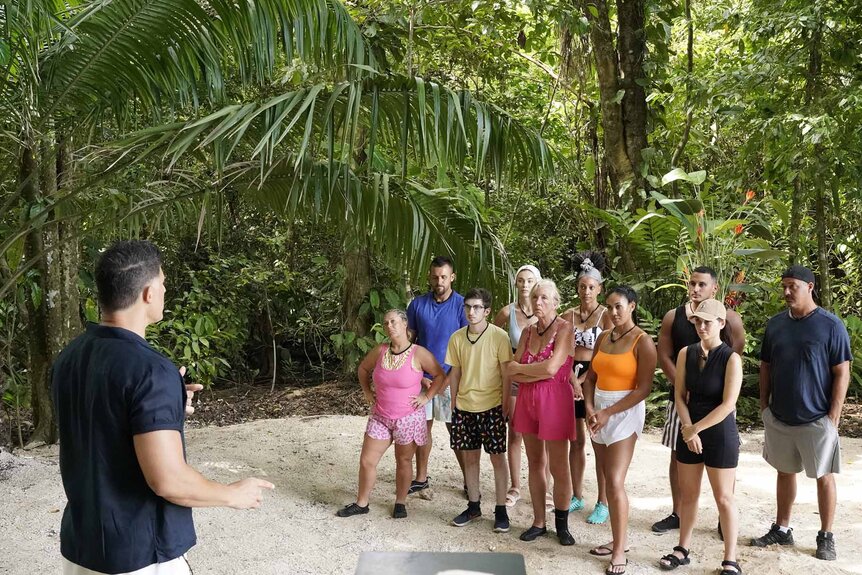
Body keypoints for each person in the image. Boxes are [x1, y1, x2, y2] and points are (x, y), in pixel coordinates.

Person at [52, 240, 274, 575]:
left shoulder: (70, 357)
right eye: (163, 282)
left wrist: (167, 405)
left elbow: (104, 417)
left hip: (82, 549)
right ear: (147, 293)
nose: (165, 289)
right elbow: (168, 480)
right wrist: (232, 494)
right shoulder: (150, 370)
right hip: (140, 556)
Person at [750, 265, 851, 561]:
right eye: (784, 286)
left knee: (824, 476)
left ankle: (826, 536)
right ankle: (782, 529)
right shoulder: (776, 325)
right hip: (780, 416)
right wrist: (764, 406)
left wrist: (833, 417)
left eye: (792, 286)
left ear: (810, 286)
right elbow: (765, 365)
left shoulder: (831, 325)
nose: (786, 292)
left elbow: (841, 372)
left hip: (817, 418)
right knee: (784, 472)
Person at [653, 266, 745, 534]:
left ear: (714, 288)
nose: (695, 289)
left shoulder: (730, 319)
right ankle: (678, 512)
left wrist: (713, 381)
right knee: (678, 453)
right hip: (682, 400)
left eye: (702, 284)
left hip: (719, 402)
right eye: (692, 283)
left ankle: (723, 518)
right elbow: (665, 354)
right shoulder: (674, 317)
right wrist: (684, 384)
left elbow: (734, 352)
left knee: (724, 458)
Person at [337, 309, 446, 519]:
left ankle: (400, 502)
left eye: (393, 321)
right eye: (386, 323)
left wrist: (426, 397)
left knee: (403, 461)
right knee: (367, 460)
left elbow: (440, 375)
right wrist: (367, 391)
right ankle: (362, 502)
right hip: (380, 416)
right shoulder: (380, 351)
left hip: (408, 417)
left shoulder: (418, 353)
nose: (389, 326)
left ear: (404, 324)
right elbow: (363, 369)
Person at [583, 285, 656, 575]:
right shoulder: (603, 337)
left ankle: (618, 550)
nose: (613, 312)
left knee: (614, 480)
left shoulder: (642, 341)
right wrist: (590, 409)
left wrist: (607, 412)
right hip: (598, 408)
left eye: (619, 307)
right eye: (610, 306)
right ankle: (618, 539)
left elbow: (644, 389)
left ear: (632, 306)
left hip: (623, 411)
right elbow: (590, 378)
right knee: (603, 475)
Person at [506, 279, 577, 546]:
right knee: (535, 462)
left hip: (555, 400)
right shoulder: (527, 332)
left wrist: (526, 371)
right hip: (528, 399)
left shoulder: (564, 328)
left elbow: (552, 369)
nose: (538, 302)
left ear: (556, 302)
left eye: (544, 298)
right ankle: (538, 521)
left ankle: (562, 524)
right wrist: (531, 371)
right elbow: (512, 368)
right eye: (535, 297)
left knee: (559, 465)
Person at [447, 288, 514, 532]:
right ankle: (473, 506)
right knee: (470, 457)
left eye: (477, 307)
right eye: (468, 307)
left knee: (498, 459)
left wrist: (506, 404)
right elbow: (455, 372)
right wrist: (453, 403)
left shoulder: (499, 337)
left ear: (487, 311)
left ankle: (500, 510)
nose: (471, 312)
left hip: (492, 406)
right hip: (465, 407)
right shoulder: (456, 338)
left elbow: (507, 373)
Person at [406, 256, 468, 495]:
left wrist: (451, 379)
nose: (439, 281)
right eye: (435, 277)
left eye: (443, 276)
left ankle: (468, 480)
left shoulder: (462, 305)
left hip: (452, 378)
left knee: (457, 430)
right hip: (423, 378)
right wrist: (417, 373)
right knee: (422, 428)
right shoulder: (417, 305)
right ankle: (421, 477)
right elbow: (410, 341)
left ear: (452, 277)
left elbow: (466, 345)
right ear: (429, 278)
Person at [562, 252, 613, 524]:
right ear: (577, 288)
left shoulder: (606, 315)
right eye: (582, 286)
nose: (587, 291)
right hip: (570, 378)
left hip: (595, 378)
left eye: (592, 287)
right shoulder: (567, 315)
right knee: (575, 441)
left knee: (598, 442)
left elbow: (607, 351)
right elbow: (562, 350)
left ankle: (603, 501)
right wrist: (572, 379)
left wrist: (583, 382)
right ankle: (576, 494)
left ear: (599, 288)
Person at [493, 264, 540, 507]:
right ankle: (515, 486)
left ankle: (545, 488)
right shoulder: (507, 311)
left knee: (542, 432)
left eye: (529, 281)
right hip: (513, 376)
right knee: (515, 430)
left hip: (538, 377)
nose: (524, 285)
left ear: (537, 283)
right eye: (520, 281)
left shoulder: (546, 309)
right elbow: (491, 336)